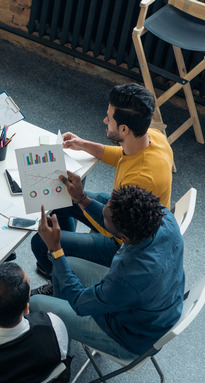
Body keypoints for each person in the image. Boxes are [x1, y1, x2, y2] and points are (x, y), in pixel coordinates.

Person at [28, 185, 185, 383]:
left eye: (106, 217)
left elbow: (79, 303)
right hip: (156, 305)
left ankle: (57, 359)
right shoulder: (162, 216)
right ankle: (60, 334)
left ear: (124, 237)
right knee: (71, 265)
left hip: (129, 336)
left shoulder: (132, 272)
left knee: (35, 303)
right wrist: (83, 198)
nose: (103, 212)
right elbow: (109, 214)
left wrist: (56, 249)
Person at [30, 83, 174, 284]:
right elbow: (122, 156)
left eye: (109, 118)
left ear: (124, 129)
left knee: (40, 241)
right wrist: (83, 144)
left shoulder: (139, 179)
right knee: (60, 197)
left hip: (123, 242)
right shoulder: (154, 137)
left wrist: (81, 198)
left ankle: (58, 279)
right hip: (125, 216)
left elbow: (113, 227)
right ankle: (65, 254)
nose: (104, 120)